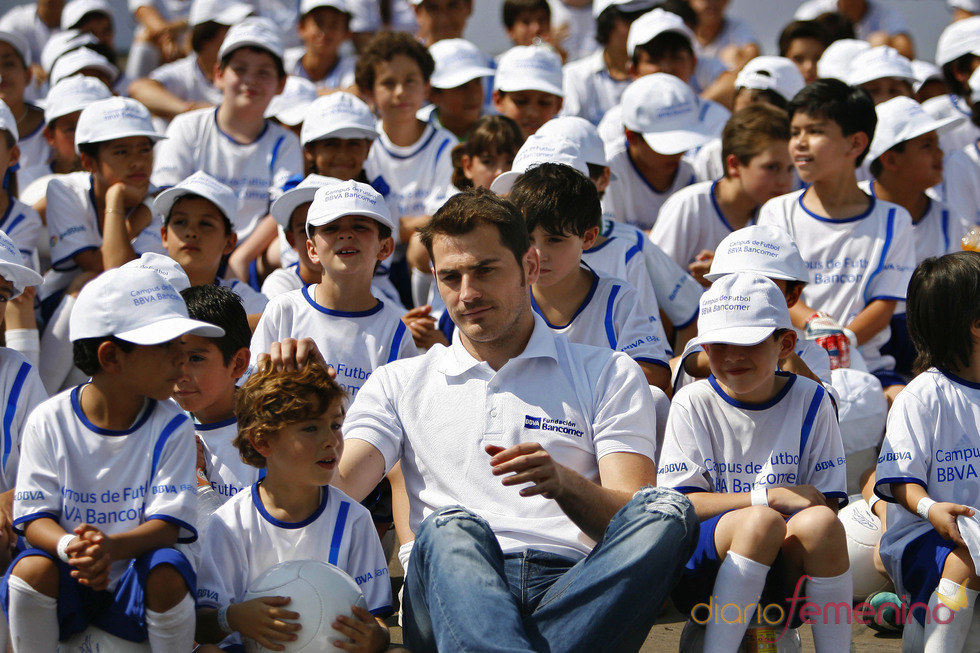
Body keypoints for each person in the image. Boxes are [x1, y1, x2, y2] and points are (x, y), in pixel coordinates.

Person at [329, 187, 698, 652]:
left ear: (529, 266)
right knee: (450, 527)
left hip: (573, 585)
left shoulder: (608, 372)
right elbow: (339, 486)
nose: (467, 294)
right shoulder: (397, 382)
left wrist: (565, 485)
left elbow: (627, 520)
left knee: (667, 512)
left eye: (485, 270)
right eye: (451, 277)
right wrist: (298, 412)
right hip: (449, 582)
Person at [3, 267, 222, 652]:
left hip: (135, 574)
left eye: (181, 345)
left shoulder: (173, 425)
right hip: (69, 570)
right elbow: (34, 520)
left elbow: (167, 527)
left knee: (168, 569)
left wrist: (111, 549)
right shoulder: (49, 420)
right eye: (164, 346)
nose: (180, 359)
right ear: (111, 357)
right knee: (31, 568)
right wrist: (72, 547)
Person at [659, 272, 850, 652]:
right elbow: (681, 505)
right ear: (704, 348)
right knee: (759, 520)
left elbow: (825, 503)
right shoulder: (691, 401)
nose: (732, 356)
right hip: (703, 577)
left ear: (786, 344)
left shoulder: (812, 398)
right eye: (719, 345)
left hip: (782, 571)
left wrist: (773, 512)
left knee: (823, 523)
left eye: (748, 342)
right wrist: (767, 497)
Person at [194, 357, 394, 653]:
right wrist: (233, 617)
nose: (331, 440)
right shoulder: (230, 522)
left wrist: (376, 638)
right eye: (311, 428)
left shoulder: (354, 518)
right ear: (263, 442)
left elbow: (375, 618)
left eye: (335, 425)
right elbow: (202, 625)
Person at [757, 79, 916, 402]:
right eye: (794, 132)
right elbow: (774, 291)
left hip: (869, 366)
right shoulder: (778, 212)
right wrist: (815, 323)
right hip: (791, 361)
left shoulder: (893, 219)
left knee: (902, 401)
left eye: (815, 131)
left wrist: (846, 339)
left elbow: (885, 304)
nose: (799, 143)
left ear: (855, 143)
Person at [874, 252, 980, 651]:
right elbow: (901, 481)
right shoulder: (921, 396)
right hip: (925, 535)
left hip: (976, 530)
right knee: (967, 560)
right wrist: (930, 509)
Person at [150, 17, 304, 282]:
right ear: (218, 74)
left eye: (263, 72)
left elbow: (282, 209)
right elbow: (164, 197)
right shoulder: (187, 126)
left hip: (250, 258)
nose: (250, 80)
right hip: (188, 246)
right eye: (240, 69)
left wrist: (240, 257)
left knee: (293, 244)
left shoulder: (285, 142)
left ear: (281, 84)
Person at [508, 160, 672, 391]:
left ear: (588, 238)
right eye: (528, 238)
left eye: (554, 239)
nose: (538, 254)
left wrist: (565, 378)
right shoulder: (505, 296)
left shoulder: (617, 298)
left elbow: (655, 373)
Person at [251, 180, 417, 398]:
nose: (345, 235)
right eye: (330, 228)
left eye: (360, 226)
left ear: (385, 247)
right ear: (312, 250)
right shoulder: (283, 310)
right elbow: (251, 395)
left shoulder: (396, 331)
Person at [865, 96, 968, 377]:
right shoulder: (854, 207)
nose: (940, 153)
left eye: (937, 143)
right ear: (890, 159)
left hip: (929, 349)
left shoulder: (948, 217)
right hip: (864, 346)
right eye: (927, 146)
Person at [651, 104, 793, 286]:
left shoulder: (781, 212)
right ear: (734, 165)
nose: (784, 180)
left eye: (791, 168)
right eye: (772, 167)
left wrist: (728, 270)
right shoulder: (690, 205)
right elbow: (655, 281)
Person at [355, 30, 455, 249]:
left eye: (410, 81)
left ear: (426, 87)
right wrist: (416, 224)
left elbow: (447, 220)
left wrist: (392, 228)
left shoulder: (445, 145)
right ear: (369, 92)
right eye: (388, 83)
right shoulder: (361, 145)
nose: (400, 92)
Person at [602, 72, 711, 231]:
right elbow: (606, 238)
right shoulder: (607, 172)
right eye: (668, 145)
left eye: (683, 141)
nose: (678, 152)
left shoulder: (689, 174)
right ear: (631, 137)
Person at [155, 171, 269, 321]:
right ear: (164, 235)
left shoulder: (246, 300)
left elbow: (279, 321)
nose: (191, 232)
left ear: (229, 242)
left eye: (205, 224)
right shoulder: (146, 288)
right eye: (180, 222)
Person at [127, 0, 254, 122]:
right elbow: (139, 89)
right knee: (159, 120)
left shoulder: (255, 70)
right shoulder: (185, 70)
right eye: (232, 28)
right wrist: (191, 110)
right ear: (206, 37)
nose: (242, 33)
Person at [425, 38, 495, 140]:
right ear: (432, 94)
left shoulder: (505, 129)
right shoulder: (411, 131)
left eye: (478, 81)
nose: (474, 94)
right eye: (462, 86)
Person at [492, 44, 565, 138]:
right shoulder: (480, 146)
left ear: (559, 104)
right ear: (498, 100)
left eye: (544, 103)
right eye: (520, 101)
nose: (533, 113)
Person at [284, 0, 357, 93]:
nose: (324, 33)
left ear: (347, 34)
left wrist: (293, 91)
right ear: (301, 27)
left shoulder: (355, 67)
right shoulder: (282, 62)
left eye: (334, 25)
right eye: (319, 23)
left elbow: (355, 92)